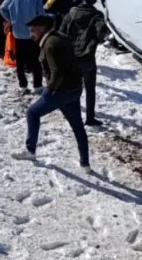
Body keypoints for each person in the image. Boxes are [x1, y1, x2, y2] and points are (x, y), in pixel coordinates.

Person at [12, 14, 90, 172]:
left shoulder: (50, 44)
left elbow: (57, 71)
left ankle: (30, 151)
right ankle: (85, 164)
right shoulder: (60, 37)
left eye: (32, 30)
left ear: (42, 29)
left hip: (61, 91)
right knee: (77, 127)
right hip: (74, 89)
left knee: (32, 113)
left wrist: (49, 91)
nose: (30, 34)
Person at [60, 0, 109, 126]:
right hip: (87, 59)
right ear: (94, 0)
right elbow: (102, 29)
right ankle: (90, 118)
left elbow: (61, 32)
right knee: (89, 89)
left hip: (71, 57)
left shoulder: (71, 12)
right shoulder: (96, 15)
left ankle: (71, 114)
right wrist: (95, 41)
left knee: (71, 87)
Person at [0, 0, 46, 92]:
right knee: (36, 60)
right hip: (33, 35)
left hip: (18, 33)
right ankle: (37, 86)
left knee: (20, 61)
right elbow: (41, 14)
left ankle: (23, 85)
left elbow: (2, 8)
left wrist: (10, 19)